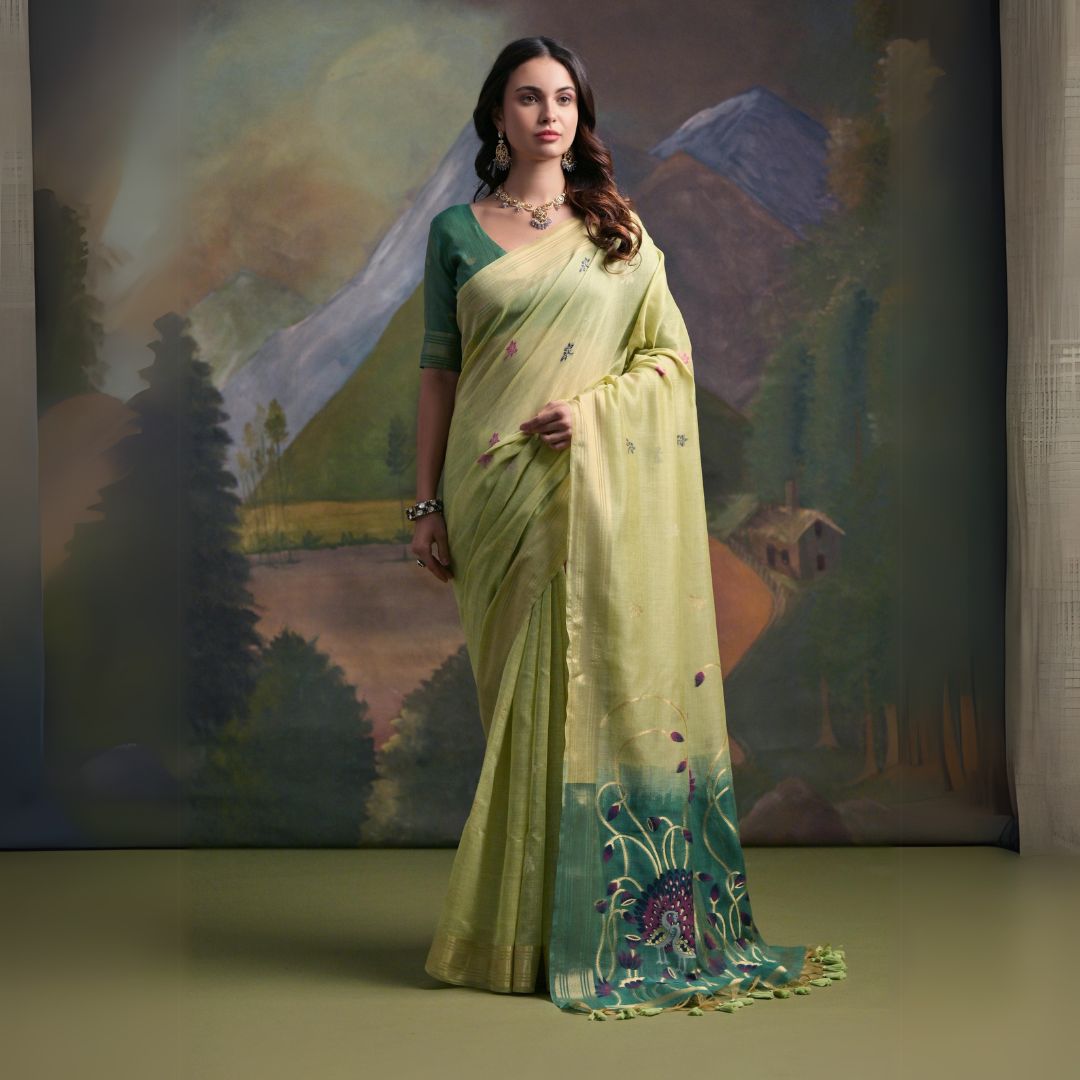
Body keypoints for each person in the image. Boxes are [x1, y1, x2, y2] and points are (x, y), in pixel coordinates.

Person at [408, 35, 847, 1019]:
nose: (548, 114)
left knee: (584, 692)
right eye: (527, 98)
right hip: (494, 492)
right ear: (497, 117)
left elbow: (668, 362)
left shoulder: (618, 233)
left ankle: (599, 927)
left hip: (590, 485)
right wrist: (428, 501)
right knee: (522, 707)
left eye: (563, 97)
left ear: (580, 114)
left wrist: (592, 413)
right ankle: (518, 934)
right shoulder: (455, 234)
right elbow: (438, 373)